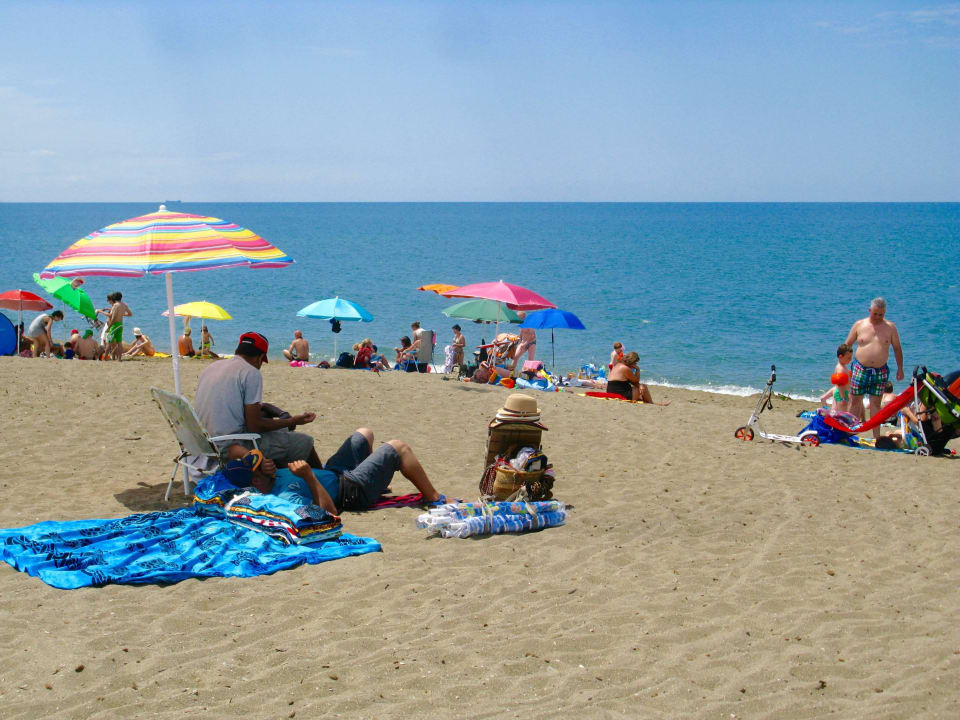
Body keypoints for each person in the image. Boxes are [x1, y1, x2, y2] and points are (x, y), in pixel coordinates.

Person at [222, 428, 445, 513]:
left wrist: (260, 464)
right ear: (257, 483)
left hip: (335, 472)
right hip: (351, 491)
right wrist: (309, 476)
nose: (264, 464)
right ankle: (433, 497)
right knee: (398, 447)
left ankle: (376, 482)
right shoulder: (284, 497)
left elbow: (233, 449)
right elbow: (330, 514)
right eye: (259, 467)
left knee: (364, 434)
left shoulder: (264, 480)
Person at [194, 331, 323, 468]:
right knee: (304, 442)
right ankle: (325, 481)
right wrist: (292, 421)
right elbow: (254, 425)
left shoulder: (211, 367)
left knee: (280, 430)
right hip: (230, 446)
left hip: (205, 444)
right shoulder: (250, 372)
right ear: (260, 357)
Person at [844, 297, 904, 438]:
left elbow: (897, 348)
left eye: (881, 314)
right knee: (855, 401)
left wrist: (900, 368)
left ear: (884, 313)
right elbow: (847, 345)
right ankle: (849, 432)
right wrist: (842, 365)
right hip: (860, 368)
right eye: (875, 313)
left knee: (876, 404)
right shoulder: (859, 325)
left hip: (880, 370)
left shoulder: (890, 327)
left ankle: (876, 436)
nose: (877, 317)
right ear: (869, 310)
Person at [97, 292, 132, 361]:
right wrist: (121, 314)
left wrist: (100, 311)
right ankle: (119, 359)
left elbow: (112, 317)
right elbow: (130, 314)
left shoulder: (115, 305)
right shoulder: (124, 304)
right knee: (119, 343)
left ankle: (105, 358)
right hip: (120, 325)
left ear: (114, 298)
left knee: (108, 342)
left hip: (114, 325)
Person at [819, 343, 853, 413]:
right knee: (841, 413)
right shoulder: (841, 369)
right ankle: (824, 414)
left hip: (841, 392)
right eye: (848, 358)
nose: (850, 359)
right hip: (841, 394)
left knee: (837, 412)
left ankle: (826, 414)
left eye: (851, 357)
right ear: (841, 356)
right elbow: (840, 385)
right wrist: (843, 398)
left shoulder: (843, 366)